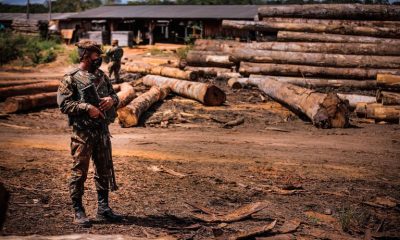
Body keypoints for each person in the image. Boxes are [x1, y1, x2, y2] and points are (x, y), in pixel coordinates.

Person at [57, 40, 122, 228]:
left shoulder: (102, 76)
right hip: (82, 134)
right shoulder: (71, 78)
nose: (99, 58)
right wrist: (86, 107)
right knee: (79, 172)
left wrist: (112, 100)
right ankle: (78, 210)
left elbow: (115, 96)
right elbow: (64, 105)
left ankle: (103, 208)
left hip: (102, 132)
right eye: (95, 55)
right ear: (85, 55)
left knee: (104, 170)